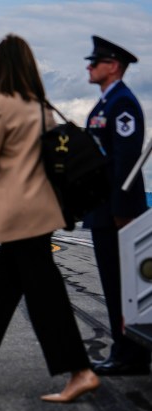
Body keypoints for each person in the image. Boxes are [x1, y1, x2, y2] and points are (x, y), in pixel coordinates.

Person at [0, 34, 99, 403]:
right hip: (39, 213)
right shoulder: (40, 108)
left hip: (18, 216)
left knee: (45, 296)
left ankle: (80, 371)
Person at [83, 35, 151, 375]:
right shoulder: (104, 104)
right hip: (103, 209)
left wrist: (123, 214)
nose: (89, 67)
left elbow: (126, 160)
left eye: (94, 62)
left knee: (122, 286)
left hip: (117, 212)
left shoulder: (122, 103)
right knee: (112, 284)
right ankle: (126, 350)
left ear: (113, 66)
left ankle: (130, 354)